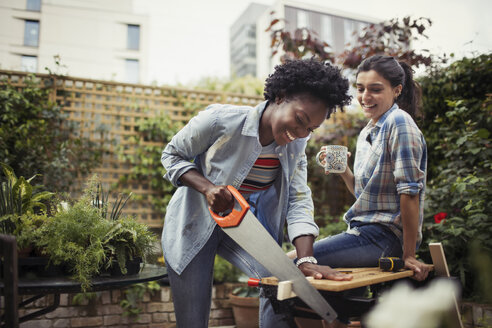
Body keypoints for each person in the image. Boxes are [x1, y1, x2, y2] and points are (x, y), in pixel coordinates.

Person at [160, 58, 352, 328]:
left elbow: (298, 199)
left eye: (310, 129)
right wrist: (208, 188)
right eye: (299, 120)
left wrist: (306, 259)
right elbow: (172, 155)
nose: (300, 133)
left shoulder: (296, 146)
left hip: (243, 227)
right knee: (193, 321)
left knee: (280, 283)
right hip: (192, 224)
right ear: (280, 96)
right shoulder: (220, 120)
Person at [298, 55, 432, 326]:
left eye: (375, 89)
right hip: (362, 233)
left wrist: (408, 254)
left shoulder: (400, 124)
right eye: (360, 88)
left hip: (384, 238)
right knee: (300, 264)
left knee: (291, 266)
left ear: (397, 90)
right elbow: (362, 193)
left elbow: (409, 192)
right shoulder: (368, 131)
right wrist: (343, 170)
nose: (365, 96)